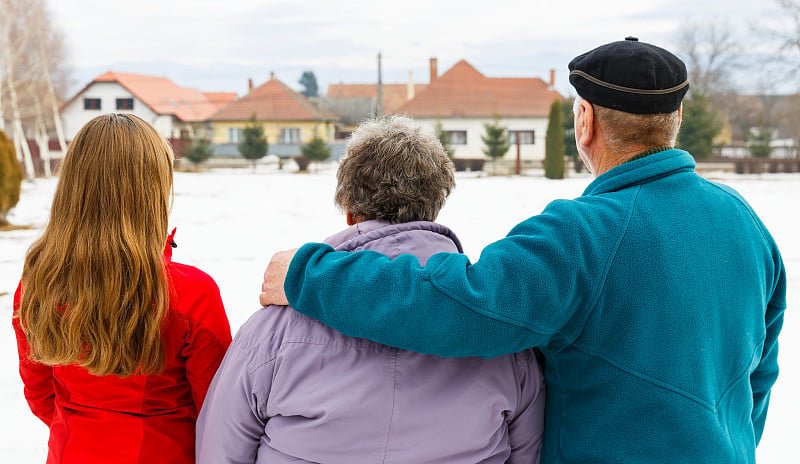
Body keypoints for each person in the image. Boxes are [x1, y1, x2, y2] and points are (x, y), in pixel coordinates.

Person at [259, 38, 786, 463]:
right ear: (673, 121)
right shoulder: (745, 222)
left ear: (586, 121)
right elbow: (759, 371)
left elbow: (459, 305)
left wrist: (309, 275)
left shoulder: (582, 233)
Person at [197, 116, 545, 463]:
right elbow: (528, 451)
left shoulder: (275, 326)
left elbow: (221, 448)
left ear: (349, 209)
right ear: (435, 205)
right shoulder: (499, 331)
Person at [13, 113, 232, 464]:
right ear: (153, 190)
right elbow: (222, 411)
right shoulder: (189, 294)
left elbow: (40, 394)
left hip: (72, 451)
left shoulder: (39, 284)